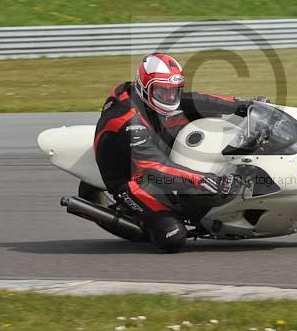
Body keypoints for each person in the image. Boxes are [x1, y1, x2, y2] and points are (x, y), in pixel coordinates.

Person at [93, 53, 259, 253]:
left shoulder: (155, 98)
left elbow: (195, 99)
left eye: (174, 91)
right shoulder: (129, 121)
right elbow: (153, 166)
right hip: (131, 176)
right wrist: (203, 179)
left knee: (196, 110)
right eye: (163, 92)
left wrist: (243, 105)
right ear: (144, 88)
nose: (170, 98)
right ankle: (149, 223)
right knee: (173, 237)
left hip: (152, 144)